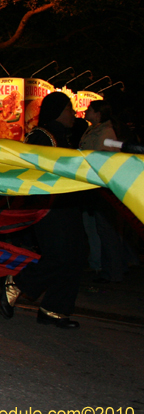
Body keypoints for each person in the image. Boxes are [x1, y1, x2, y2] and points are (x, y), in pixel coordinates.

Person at [0, 91, 87, 327]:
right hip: (47, 207)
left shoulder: (64, 137)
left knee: (76, 255)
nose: (73, 113)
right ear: (57, 111)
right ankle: (17, 283)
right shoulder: (41, 135)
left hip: (67, 204)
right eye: (69, 108)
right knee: (59, 255)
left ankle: (55, 309)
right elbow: (32, 169)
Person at [79, 100, 125, 283]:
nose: (85, 111)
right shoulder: (95, 130)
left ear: (97, 114)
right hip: (92, 187)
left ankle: (113, 271)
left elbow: (105, 160)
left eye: (89, 109)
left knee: (105, 230)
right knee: (97, 229)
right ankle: (101, 267)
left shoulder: (105, 132)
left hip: (101, 188)